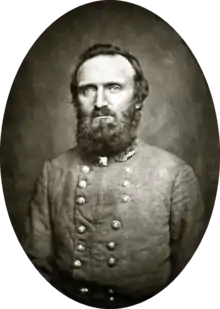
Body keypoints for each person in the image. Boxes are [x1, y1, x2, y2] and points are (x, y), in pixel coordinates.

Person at [23, 43, 204, 309]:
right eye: (88, 90)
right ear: (76, 102)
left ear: (138, 99)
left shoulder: (175, 175)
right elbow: (36, 266)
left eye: (114, 88)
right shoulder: (54, 172)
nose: (100, 103)